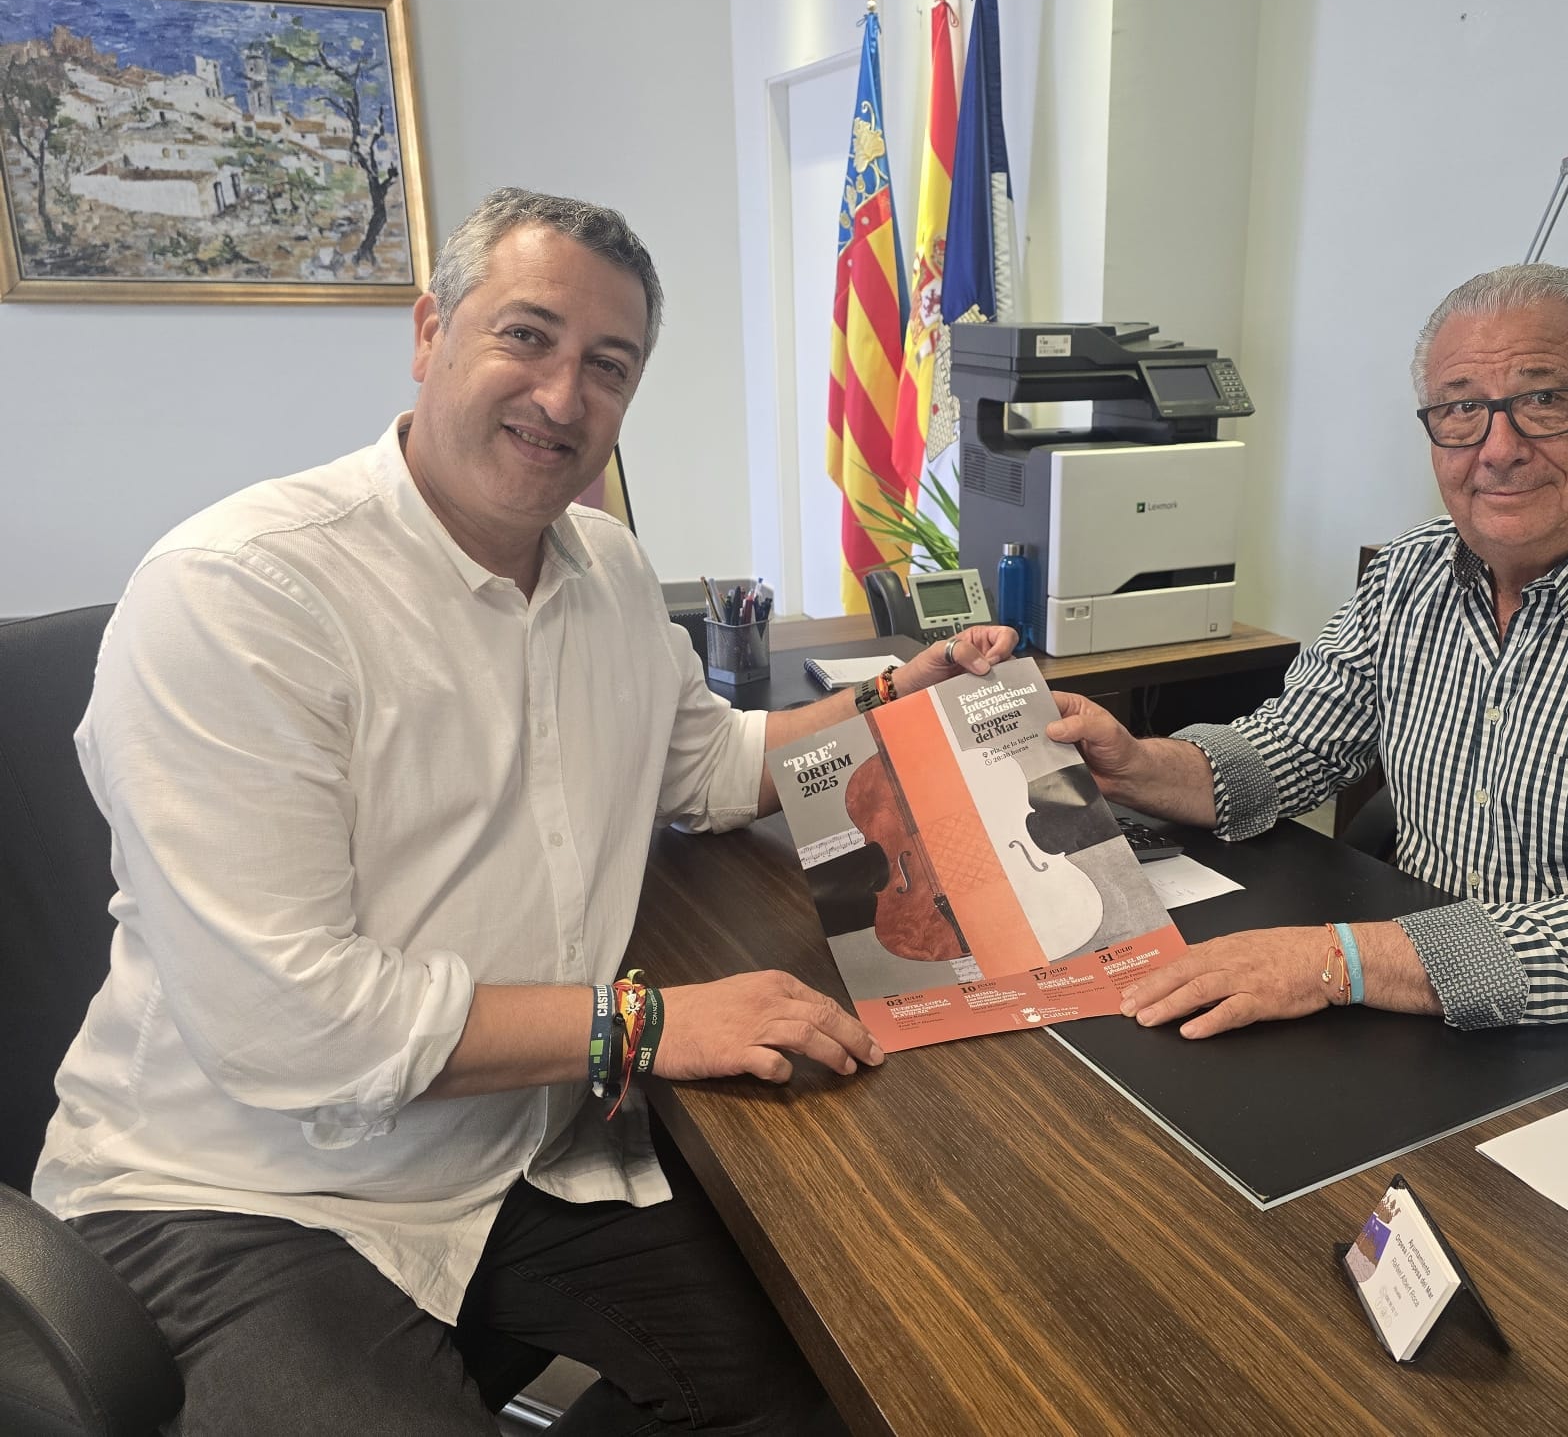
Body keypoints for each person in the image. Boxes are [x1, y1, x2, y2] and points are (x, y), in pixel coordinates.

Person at [33, 187, 1015, 1435]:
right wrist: (647, 1023)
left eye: (609, 365)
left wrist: (894, 699)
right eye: (526, 336)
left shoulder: (607, 568)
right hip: (240, 1189)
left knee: (845, 1366)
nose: (563, 396)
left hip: (510, 1149)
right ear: (429, 331)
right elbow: (289, 1028)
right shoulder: (240, 595)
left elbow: (708, 765)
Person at [1049, 263, 1568, 1056]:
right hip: (1446, 973)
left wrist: (1330, 961)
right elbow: (1293, 749)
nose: (1499, 449)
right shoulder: (1413, 570)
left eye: (1542, 400)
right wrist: (1136, 765)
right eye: (1462, 409)